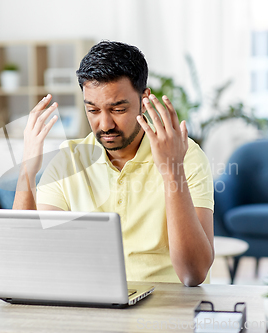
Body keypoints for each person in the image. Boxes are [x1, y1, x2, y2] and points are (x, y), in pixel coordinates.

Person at [12, 41, 214, 287]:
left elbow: (194, 273)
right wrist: (27, 170)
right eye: (93, 110)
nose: (105, 124)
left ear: (144, 98)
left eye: (118, 109)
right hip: (92, 304)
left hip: (168, 307)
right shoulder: (69, 161)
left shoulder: (186, 156)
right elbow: (27, 259)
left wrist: (172, 172)